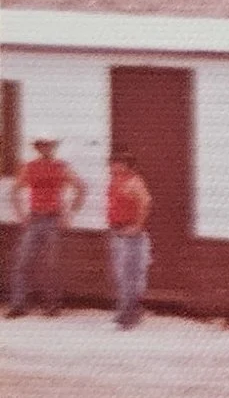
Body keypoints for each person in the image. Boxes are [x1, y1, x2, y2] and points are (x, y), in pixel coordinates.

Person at [8, 137, 88, 318]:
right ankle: (18, 305)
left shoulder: (61, 167)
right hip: (34, 219)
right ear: (37, 148)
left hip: (53, 219)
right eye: (42, 145)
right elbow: (14, 191)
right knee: (22, 262)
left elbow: (81, 188)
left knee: (52, 264)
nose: (45, 148)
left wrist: (70, 213)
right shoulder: (29, 167)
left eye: (48, 145)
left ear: (53, 147)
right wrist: (21, 214)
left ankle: (52, 306)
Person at [105, 149, 153, 330]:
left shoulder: (134, 181)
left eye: (119, 163)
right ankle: (129, 311)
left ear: (127, 166)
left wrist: (137, 226)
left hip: (130, 233)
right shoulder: (115, 181)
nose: (114, 166)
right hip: (116, 231)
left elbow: (146, 202)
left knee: (129, 275)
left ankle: (128, 315)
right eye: (113, 163)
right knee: (121, 274)